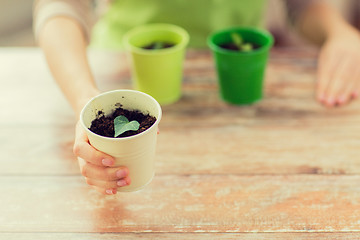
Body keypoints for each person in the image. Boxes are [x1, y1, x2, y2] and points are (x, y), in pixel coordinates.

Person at [33, 0, 360, 195]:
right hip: (116, 71)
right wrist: (85, 99)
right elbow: (58, 7)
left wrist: (340, 32)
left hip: (240, 91)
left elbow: (302, 6)